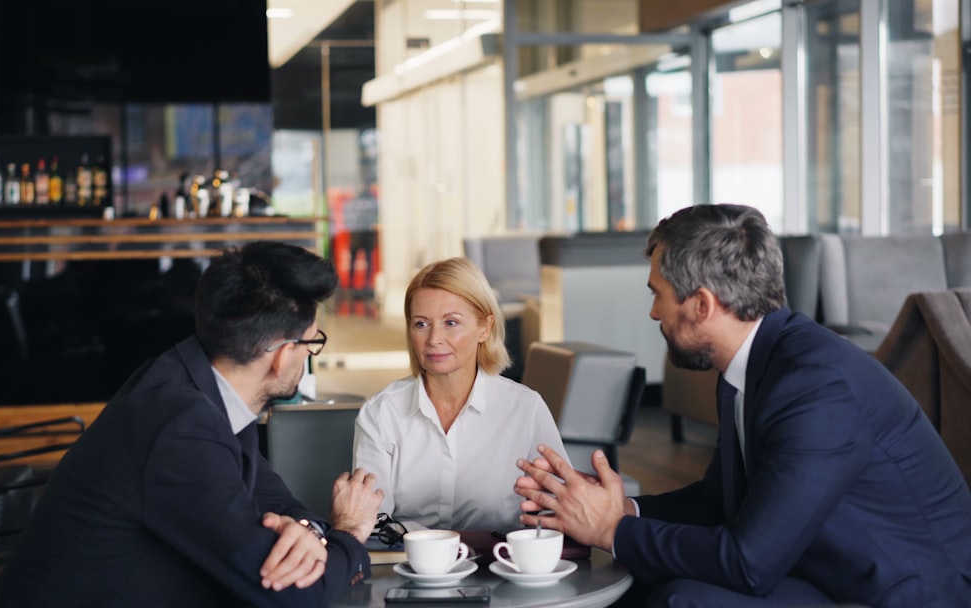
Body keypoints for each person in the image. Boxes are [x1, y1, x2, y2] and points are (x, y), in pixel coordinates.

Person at [514, 204, 971, 607]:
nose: (654, 313)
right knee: (648, 578)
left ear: (702, 304)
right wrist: (618, 509)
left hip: (901, 591)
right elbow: (719, 500)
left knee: (682, 599)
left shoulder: (817, 388)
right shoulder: (754, 363)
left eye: (658, 294)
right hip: (825, 566)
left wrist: (611, 529)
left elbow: (750, 562)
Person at [0, 241, 384, 607]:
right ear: (281, 356)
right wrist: (348, 532)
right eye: (312, 344)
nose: (309, 357)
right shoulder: (180, 428)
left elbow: (275, 502)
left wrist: (308, 533)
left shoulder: (202, 382)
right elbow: (297, 595)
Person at [353, 257, 568, 531]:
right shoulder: (382, 412)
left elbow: (559, 509)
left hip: (501, 567)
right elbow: (371, 520)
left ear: (484, 328)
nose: (433, 339)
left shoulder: (525, 409)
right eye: (421, 324)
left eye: (451, 323)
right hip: (410, 566)